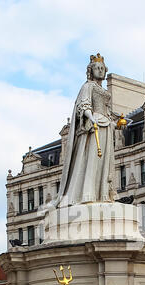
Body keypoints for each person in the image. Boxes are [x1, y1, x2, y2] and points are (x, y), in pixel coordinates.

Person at [53, 53, 118, 208]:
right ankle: (87, 193)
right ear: (91, 70)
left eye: (102, 68)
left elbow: (108, 111)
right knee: (92, 159)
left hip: (106, 126)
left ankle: (103, 193)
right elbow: (84, 105)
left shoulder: (102, 90)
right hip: (93, 126)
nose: (100, 71)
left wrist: (114, 123)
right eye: (97, 68)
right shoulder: (87, 86)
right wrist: (91, 117)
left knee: (104, 161)